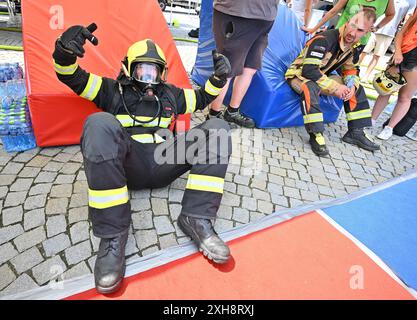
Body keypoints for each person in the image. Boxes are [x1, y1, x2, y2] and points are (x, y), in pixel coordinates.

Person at [53, 23, 233, 294]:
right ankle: (113, 234)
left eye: (154, 69)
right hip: (128, 167)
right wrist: (64, 52)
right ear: (128, 68)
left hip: (165, 159)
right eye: (141, 68)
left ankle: (196, 217)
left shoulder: (171, 93)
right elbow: (72, 77)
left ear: (163, 71)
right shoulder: (112, 89)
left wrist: (218, 80)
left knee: (218, 129)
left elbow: (201, 98)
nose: (148, 76)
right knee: (98, 122)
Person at [285, 9, 380, 156]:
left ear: (366, 33)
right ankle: (316, 134)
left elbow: (351, 69)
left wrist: (350, 86)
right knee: (310, 86)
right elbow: (309, 71)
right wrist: (335, 88)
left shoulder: (354, 45)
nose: (353, 33)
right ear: (347, 22)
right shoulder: (324, 38)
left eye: (360, 30)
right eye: (353, 25)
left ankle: (356, 131)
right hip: (298, 76)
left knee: (357, 87)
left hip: (322, 77)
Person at [207, 0, 279, 128]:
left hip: (265, 18)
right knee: (226, 70)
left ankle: (232, 111)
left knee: (250, 68)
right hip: (237, 13)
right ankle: (213, 115)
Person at [372, 9, 417, 140]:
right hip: (401, 55)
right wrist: (397, 52)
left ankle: (389, 128)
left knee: (404, 96)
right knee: (385, 89)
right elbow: (400, 34)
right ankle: (371, 120)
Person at [360, 0, 416, 82]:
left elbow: (409, 18)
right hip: (373, 27)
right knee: (363, 51)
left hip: (389, 32)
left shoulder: (412, 2)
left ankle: (366, 76)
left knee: (377, 55)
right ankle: (353, 72)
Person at [302, 0, 395, 47]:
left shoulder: (387, 1)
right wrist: (314, 29)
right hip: (339, 37)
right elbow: (333, 11)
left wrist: (377, 27)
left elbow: (391, 14)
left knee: (345, 70)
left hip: (359, 42)